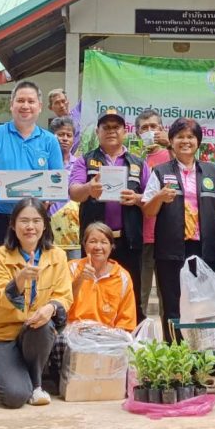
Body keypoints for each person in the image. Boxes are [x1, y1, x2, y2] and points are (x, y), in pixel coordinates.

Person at [142, 118, 215, 337]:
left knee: (204, 303)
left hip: (204, 249)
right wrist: (160, 197)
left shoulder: (211, 172)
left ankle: (202, 354)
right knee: (173, 303)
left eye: (190, 137)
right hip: (171, 251)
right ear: (171, 141)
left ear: (198, 142)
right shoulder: (160, 172)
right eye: (180, 137)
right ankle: (176, 356)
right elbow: (149, 210)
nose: (185, 141)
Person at [0, 197, 72, 408]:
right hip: (0, 336)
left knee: (43, 323)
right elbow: (0, 299)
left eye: (36, 221)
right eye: (23, 221)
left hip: (33, 332)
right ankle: (5, 370)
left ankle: (37, 383)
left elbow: (65, 295)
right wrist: (20, 279)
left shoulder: (57, 256)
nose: (30, 226)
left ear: (44, 225)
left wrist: (51, 307)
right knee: (15, 397)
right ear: (12, 225)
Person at [0, 81, 64, 263]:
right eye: (20, 100)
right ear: (11, 104)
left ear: (40, 106)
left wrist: (50, 197)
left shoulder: (50, 140)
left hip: (36, 221)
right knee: (0, 276)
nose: (25, 106)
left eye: (31, 101)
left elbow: (58, 182)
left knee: (39, 274)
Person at [68, 108, 146, 322]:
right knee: (91, 291)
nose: (111, 131)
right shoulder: (85, 160)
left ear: (125, 131)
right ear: (98, 131)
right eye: (106, 127)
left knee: (132, 294)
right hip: (96, 244)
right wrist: (88, 189)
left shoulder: (138, 163)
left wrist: (137, 199)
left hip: (128, 240)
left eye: (116, 127)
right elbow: (73, 192)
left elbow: (149, 198)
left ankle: (129, 344)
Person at [67, 222, 137, 331]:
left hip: (107, 337)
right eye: (92, 241)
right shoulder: (71, 268)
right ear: (84, 245)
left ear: (111, 246)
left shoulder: (122, 276)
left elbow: (126, 321)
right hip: (73, 333)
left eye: (104, 242)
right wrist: (80, 279)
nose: (98, 247)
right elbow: (62, 305)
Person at [134, 109, 170, 314]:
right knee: (141, 294)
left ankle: (171, 341)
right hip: (143, 235)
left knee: (170, 295)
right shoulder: (135, 160)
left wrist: (170, 144)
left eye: (153, 127)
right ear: (138, 134)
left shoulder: (172, 154)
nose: (149, 131)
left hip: (168, 234)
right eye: (144, 128)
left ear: (162, 129)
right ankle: (138, 340)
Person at [47, 115, 76, 216]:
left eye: (69, 135)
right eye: (61, 134)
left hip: (72, 220)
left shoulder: (79, 165)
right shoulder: (44, 163)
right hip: (48, 218)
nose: (65, 139)